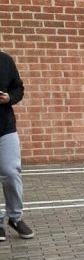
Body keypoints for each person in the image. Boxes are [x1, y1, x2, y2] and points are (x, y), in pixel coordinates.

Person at [0, 49, 33, 240]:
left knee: (11, 172)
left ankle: (15, 217)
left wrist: (9, 98)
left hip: (5, 127)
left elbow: (18, 89)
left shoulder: (5, 61)